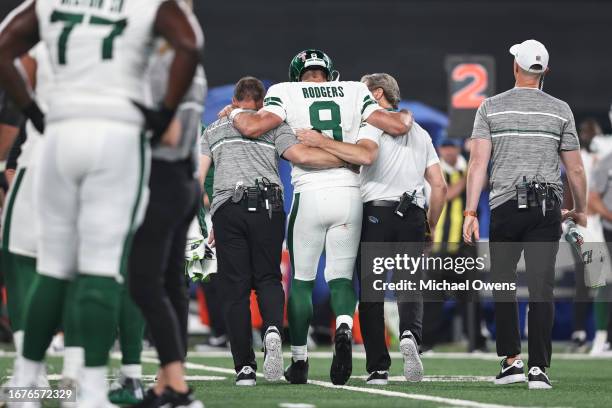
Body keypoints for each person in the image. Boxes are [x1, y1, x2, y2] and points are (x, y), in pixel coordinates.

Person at [0, 1, 202, 407]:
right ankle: (88, 390)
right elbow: (189, 44)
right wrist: (162, 115)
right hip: (117, 134)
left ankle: (26, 385)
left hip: (56, 135)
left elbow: (4, 44)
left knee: (51, 268)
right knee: (101, 268)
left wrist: (33, 110)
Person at [224, 49, 413, 385]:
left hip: (309, 192)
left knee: (302, 281)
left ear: (299, 74)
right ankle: (342, 324)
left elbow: (253, 127)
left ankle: (299, 360)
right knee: (341, 277)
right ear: (329, 72)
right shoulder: (355, 90)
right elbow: (399, 123)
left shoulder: (285, 91)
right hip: (349, 194)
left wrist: (235, 112)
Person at [297, 73, 446, 385]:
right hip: (414, 213)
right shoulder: (420, 132)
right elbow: (439, 185)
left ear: (377, 94)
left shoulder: (369, 124)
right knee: (409, 286)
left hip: (376, 213)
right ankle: (409, 335)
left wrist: (321, 142)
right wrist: (430, 223)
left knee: (372, 294)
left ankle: (378, 367)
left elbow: (359, 157)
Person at [202, 76, 348, 386]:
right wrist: (347, 159)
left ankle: (244, 368)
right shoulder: (275, 127)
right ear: (263, 101)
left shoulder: (214, 130)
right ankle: (271, 327)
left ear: (235, 98)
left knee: (235, 290)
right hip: (268, 207)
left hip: (229, 207)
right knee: (268, 277)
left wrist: (210, 216)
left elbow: (198, 177)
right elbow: (303, 157)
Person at [463, 39, 587, 390]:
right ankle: (539, 370)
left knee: (503, 285)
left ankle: (512, 362)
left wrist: (471, 210)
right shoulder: (561, 110)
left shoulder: (490, 107)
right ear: (544, 71)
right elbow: (576, 171)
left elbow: (477, 164)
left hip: (505, 206)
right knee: (541, 288)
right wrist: (580, 210)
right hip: (547, 208)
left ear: (515, 67)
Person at [128, 25, 206, 408]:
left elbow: (168, 132)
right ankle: (169, 381)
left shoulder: (160, 62)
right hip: (183, 180)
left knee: (143, 282)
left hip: (160, 177)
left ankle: (174, 382)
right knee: (170, 282)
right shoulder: (190, 63)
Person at [422, 137, 488, 353]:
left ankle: (475, 342)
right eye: (445, 147)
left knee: (470, 296)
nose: (449, 151)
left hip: (465, 245)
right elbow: (446, 194)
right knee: (433, 297)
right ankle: (426, 342)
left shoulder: (468, 169)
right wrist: (471, 173)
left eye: (452, 147)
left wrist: (474, 161)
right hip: (439, 245)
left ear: (458, 148)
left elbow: (485, 180)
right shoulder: (434, 171)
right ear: (440, 149)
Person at [588, 149, 612, 354]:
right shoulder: (606, 161)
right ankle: (602, 336)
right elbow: (592, 200)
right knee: (605, 281)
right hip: (605, 230)